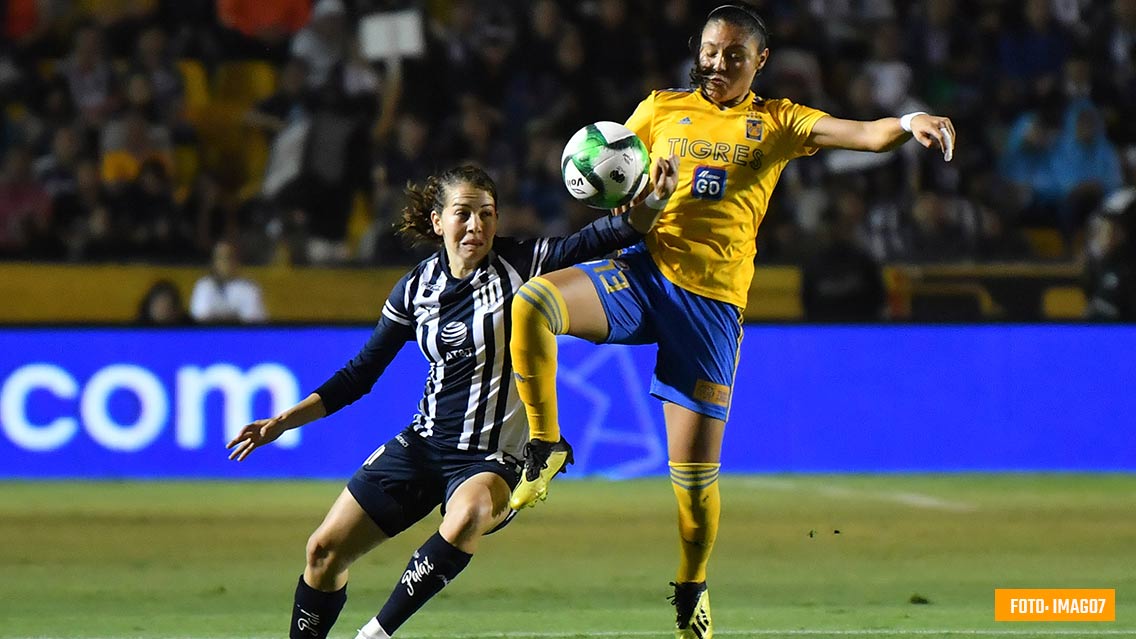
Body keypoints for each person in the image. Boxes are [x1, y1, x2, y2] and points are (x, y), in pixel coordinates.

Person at [504, 5, 957, 638]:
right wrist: (646, 198)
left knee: (691, 494)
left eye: (733, 55)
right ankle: (546, 447)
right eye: (711, 51)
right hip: (643, 272)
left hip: (711, 310)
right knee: (533, 303)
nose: (717, 63)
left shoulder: (778, 122)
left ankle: (691, 587)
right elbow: (623, 193)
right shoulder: (658, 109)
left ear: (759, 62)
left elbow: (866, 135)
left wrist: (912, 121)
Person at [225, 162, 677, 639]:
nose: (476, 227)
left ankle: (375, 634)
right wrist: (281, 421)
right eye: (463, 214)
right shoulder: (416, 289)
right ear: (438, 221)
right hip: (424, 445)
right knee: (322, 552)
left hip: (496, 458)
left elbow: (604, 235)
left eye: (487, 214)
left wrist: (652, 202)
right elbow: (360, 375)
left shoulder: (524, 263)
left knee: (468, 515)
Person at [189, 239, 268, 323]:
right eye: (220, 258)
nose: (225, 262)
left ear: (237, 261)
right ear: (213, 262)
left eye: (229, 257)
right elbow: (200, 318)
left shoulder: (250, 288)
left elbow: (254, 323)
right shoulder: (203, 285)